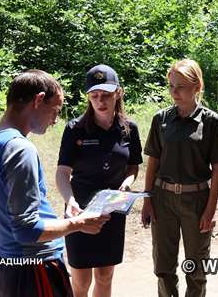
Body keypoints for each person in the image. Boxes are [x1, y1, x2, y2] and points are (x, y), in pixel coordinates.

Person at [0, 69, 109, 297]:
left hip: (4, 263)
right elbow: (27, 230)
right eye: (55, 109)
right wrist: (79, 223)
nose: (55, 119)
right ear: (38, 100)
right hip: (33, 269)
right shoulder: (20, 149)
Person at [141, 59, 218, 297]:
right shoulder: (160, 119)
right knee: (163, 266)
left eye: (181, 86)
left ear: (197, 87)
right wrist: (147, 200)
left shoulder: (211, 121)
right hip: (163, 199)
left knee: (196, 267)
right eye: (171, 86)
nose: (175, 92)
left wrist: (211, 208)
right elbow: (153, 162)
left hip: (197, 201)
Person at [55, 64, 143, 297]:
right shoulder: (75, 128)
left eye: (106, 95)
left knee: (105, 276)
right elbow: (62, 172)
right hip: (80, 209)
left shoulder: (129, 129)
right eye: (94, 96)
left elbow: (133, 166)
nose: (100, 101)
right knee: (81, 280)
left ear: (118, 93)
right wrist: (70, 200)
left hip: (112, 209)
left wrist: (128, 182)